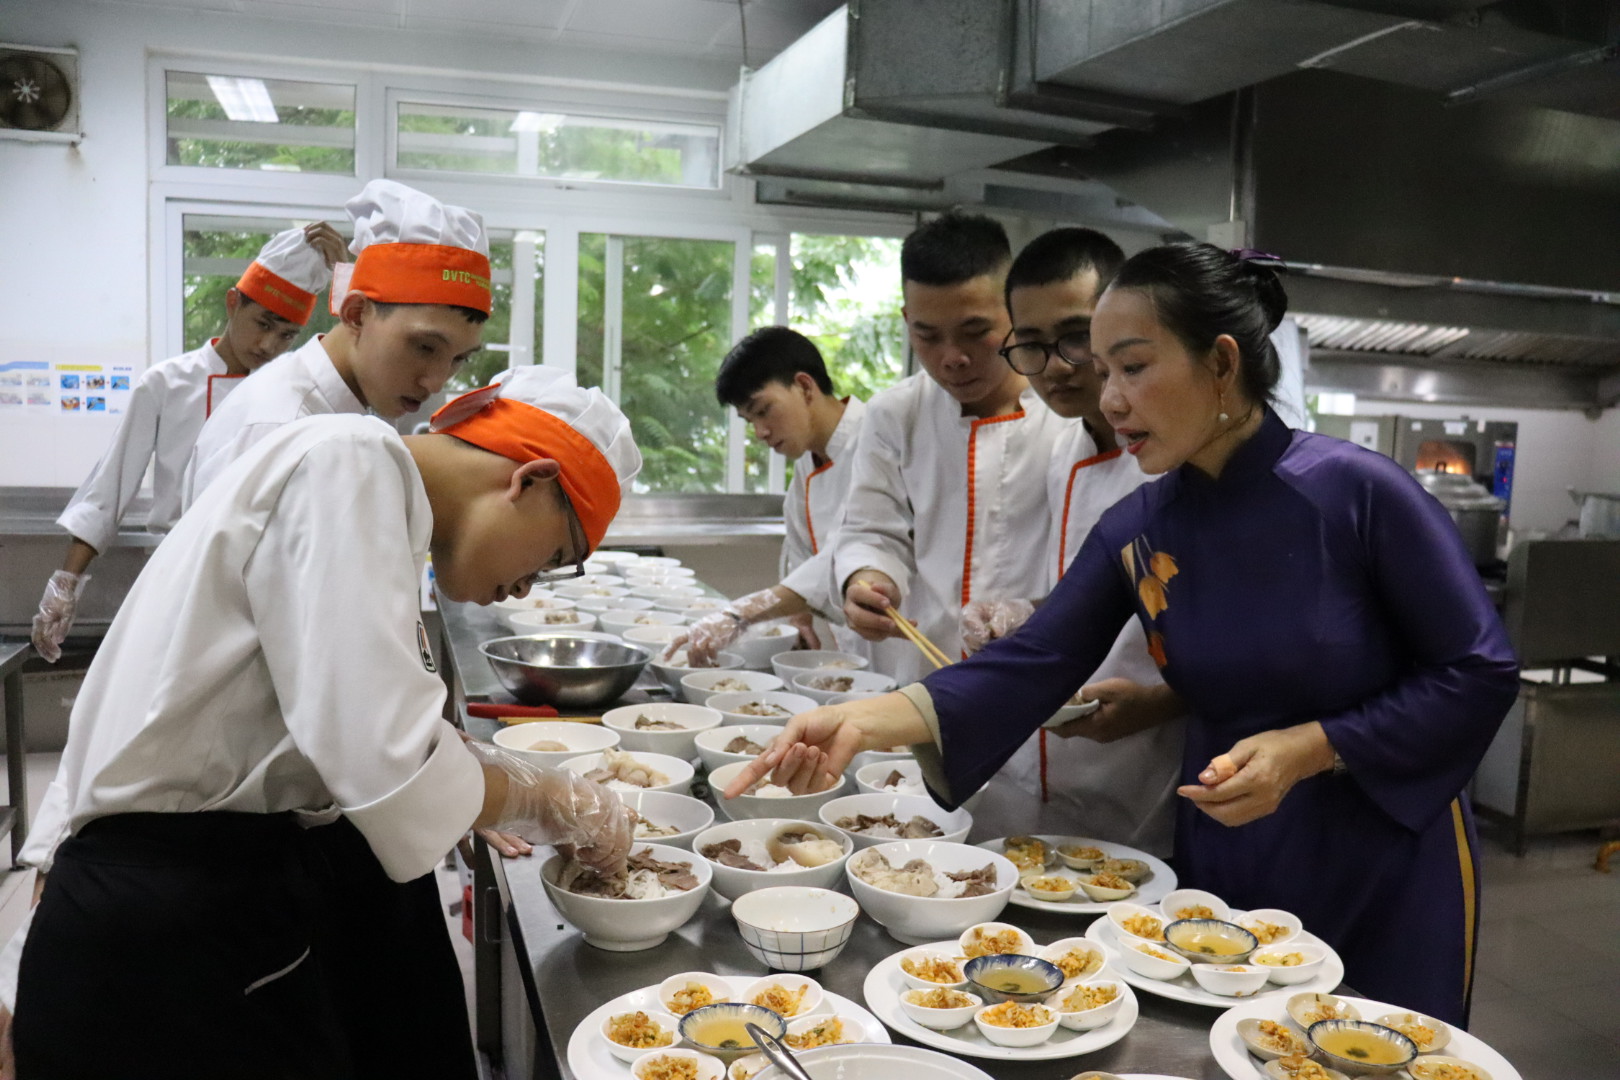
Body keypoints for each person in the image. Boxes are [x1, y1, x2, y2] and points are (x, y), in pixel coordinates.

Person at [727, 243, 1518, 1025]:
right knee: (1239, 1041)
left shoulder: (1354, 492)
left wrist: (1311, 746)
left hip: (1382, 839)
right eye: (1103, 372)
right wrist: (858, 725)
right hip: (1228, 840)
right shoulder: (1139, 525)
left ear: (1221, 362)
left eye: (1132, 367)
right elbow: (1034, 661)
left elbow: (1477, 670)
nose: (1107, 398)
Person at [8, 366, 642, 1080]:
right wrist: (550, 799)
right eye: (553, 557)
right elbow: (390, 767)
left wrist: (466, 772)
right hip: (164, 928)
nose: (527, 585)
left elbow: (334, 710)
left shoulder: (373, 495)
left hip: (192, 893)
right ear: (530, 478)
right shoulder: (350, 463)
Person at [829, 212, 1076, 832]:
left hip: (1048, 701)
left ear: (1014, 315)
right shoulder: (895, 415)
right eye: (927, 335)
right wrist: (865, 578)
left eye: (976, 331)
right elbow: (871, 529)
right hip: (925, 690)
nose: (952, 358)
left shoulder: (1072, 421)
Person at [961, 226, 1184, 856]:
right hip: (1048, 763)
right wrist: (1023, 612)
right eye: (1029, 345)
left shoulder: (1179, 462)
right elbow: (1091, 587)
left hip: (1142, 773)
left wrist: (1158, 705)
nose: (1054, 367)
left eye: (1075, 338)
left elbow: (1250, 650)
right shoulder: (1062, 446)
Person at [28, 223, 344, 662]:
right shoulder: (167, 384)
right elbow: (109, 489)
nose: (270, 345)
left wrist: (348, 278)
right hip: (175, 573)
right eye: (263, 324)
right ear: (233, 303)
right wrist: (65, 583)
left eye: (287, 334)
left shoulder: (293, 391)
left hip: (263, 579)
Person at [184, 178, 488, 503]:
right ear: (356, 314)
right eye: (425, 347)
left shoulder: (340, 416)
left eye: (460, 359)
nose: (437, 382)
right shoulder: (280, 429)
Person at [676, 326, 869, 664]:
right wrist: (798, 617)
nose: (760, 432)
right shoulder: (808, 465)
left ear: (805, 387)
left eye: (763, 410)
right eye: (749, 420)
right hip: (858, 650)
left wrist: (739, 614)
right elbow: (800, 556)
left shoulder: (878, 442)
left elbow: (847, 553)